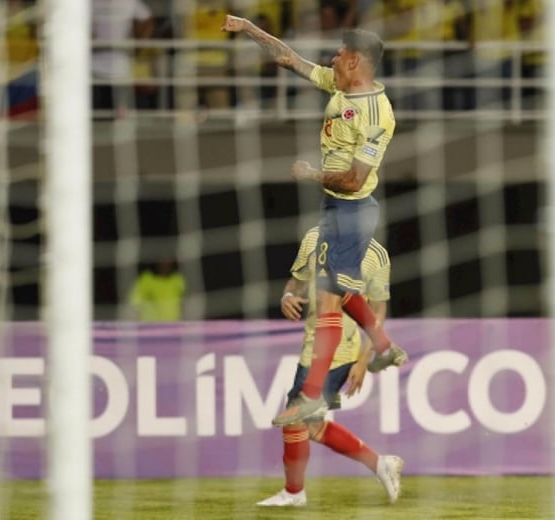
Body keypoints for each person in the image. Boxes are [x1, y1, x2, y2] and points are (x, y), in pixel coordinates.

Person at [220, 17, 407, 426]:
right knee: (333, 298)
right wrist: (250, 29)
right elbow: (289, 59)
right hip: (335, 208)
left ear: (355, 61)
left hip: (354, 210)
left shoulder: (377, 114)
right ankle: (383, 347)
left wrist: (311, 174)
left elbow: (356, 178)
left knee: (327, 302)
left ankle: (315, 394)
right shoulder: (340, 89)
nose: (334, 58)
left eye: (340, 53)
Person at [257, 226, 403, 506]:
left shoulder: (377, 256)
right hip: (311, 348)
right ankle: (381, 464)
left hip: (340, 351)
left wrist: (363, 360)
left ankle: (294, 492)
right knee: (310, 425)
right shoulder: (313, 238)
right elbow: (296, 282)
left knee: (296, 417)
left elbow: (378, 312)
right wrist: (287, 297)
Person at [129, 256, 185, 321]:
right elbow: (134, 304)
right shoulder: (146, 279)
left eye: (168, 260)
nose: (165, 263)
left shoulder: (178, 279)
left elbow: (187, 303)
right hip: (151, 326)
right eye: (162, 260)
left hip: (173, 326)